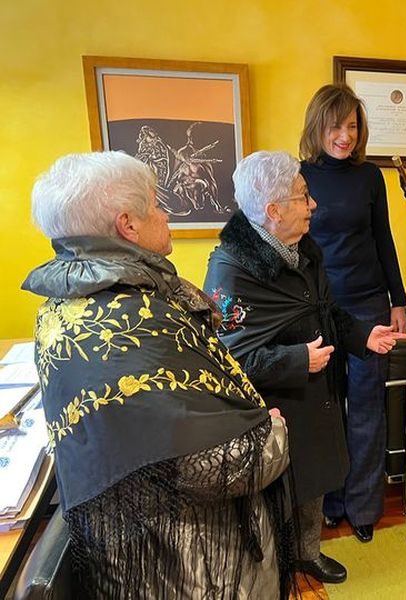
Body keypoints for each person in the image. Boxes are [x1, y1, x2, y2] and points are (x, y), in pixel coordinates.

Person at [21, 151, 293, 599]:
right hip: (187, 565)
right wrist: (273, 434)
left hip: (138, 550)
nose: (166, 215)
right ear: (128, 225)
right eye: (156, 203)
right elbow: (210, 463)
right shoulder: (132, 320)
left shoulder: (65, 303)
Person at [203, 151, 406, 584]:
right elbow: (230, 359)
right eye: (303, 196)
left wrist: (362, 336)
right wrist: (298, 360)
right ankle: (277, 570)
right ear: (273, 211)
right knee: (277, 496)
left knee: (313, 482)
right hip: (274, 406)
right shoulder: (230, 269)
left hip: (317, 396)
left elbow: (328, 311)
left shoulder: (304, 248)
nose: (313, 205)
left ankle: (307, 554)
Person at [299, 83, 406, 543]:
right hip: (320, 308)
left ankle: (363, 506)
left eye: (352, 125)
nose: (345, 135)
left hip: (369, 306)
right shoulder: (298, 175)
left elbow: (383, 239)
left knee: (365, 409)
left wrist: (398, 301)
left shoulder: (371, 177)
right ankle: (333, 500)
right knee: (327, 409)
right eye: (336, 125)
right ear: (317, 126)